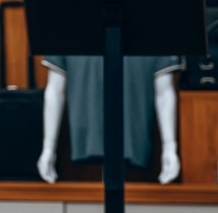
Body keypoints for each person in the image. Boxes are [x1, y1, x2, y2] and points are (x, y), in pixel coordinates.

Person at [37, 53, 181, 184]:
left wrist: (169, 147)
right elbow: (54, 90)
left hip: (134, 137)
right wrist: (48, 147)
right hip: (83, 142)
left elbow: (165, 92)